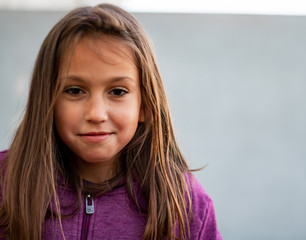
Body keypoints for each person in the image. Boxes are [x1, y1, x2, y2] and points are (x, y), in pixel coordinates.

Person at [0, 3, 222, 240]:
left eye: (117, 91)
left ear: (145, 104)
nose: (96, 114)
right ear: (48, 101)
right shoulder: (6, 181)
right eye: (75, 91)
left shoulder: (184, 201)